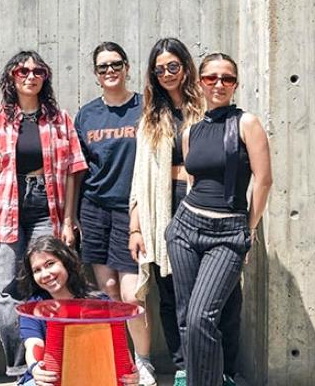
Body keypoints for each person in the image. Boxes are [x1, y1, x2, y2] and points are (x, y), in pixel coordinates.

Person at [127, 38, 243, 386]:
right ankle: (184, 367)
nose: (166, 74)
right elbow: (139, 175)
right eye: (159, 69)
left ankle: (224, 371)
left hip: (210, 206)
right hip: (163, 209)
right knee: (172, 294)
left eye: (173, 66)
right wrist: (135, 227)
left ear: (186, 67)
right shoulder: (151, 118)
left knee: (224, 298)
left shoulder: (207, 107)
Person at [0, 50, 87, 379]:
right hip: (4, 207)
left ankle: (54, 361)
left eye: (38, 70)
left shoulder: (60, 118)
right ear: (11, 76)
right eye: (22, 71)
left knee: (48, 282)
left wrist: (68, 219)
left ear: (45, 77)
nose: (30, 76)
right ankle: (22, 367)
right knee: (4, 291)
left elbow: (72, 172)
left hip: (47, 205)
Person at [165, 53, 272, 386]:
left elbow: (264, 180)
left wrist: (247, 231)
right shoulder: (191, 131)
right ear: (200, 83)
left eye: (227, 78)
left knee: (201, 317)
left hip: (227, 232)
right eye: (211, 78)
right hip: (185, 228)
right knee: (186, 317)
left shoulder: (246, 123)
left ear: (235, 84)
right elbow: (192, 180)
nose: (219, 84)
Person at [73, 42, 154, 385]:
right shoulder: (87, 114)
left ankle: (145, 362)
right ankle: (120, 360)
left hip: (131, 210)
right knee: (106, 288)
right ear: (95, 74)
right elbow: (77, 169)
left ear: (127, 67)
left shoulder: (144, 107)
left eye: (116, 64)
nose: (110, 71)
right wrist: (72, 215)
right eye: (103, 67)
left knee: (131, 293)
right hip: (94, 208)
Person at [15, 236, 139, 386]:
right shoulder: (33, 307)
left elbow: (119, 347)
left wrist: (131, 374)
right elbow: (34, 344)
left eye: (50, 264)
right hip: (47, 380)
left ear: (66, 262)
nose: (45, 274)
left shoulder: (100, 302)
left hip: (96, 377)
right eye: (37, 270)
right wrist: (36, 368)